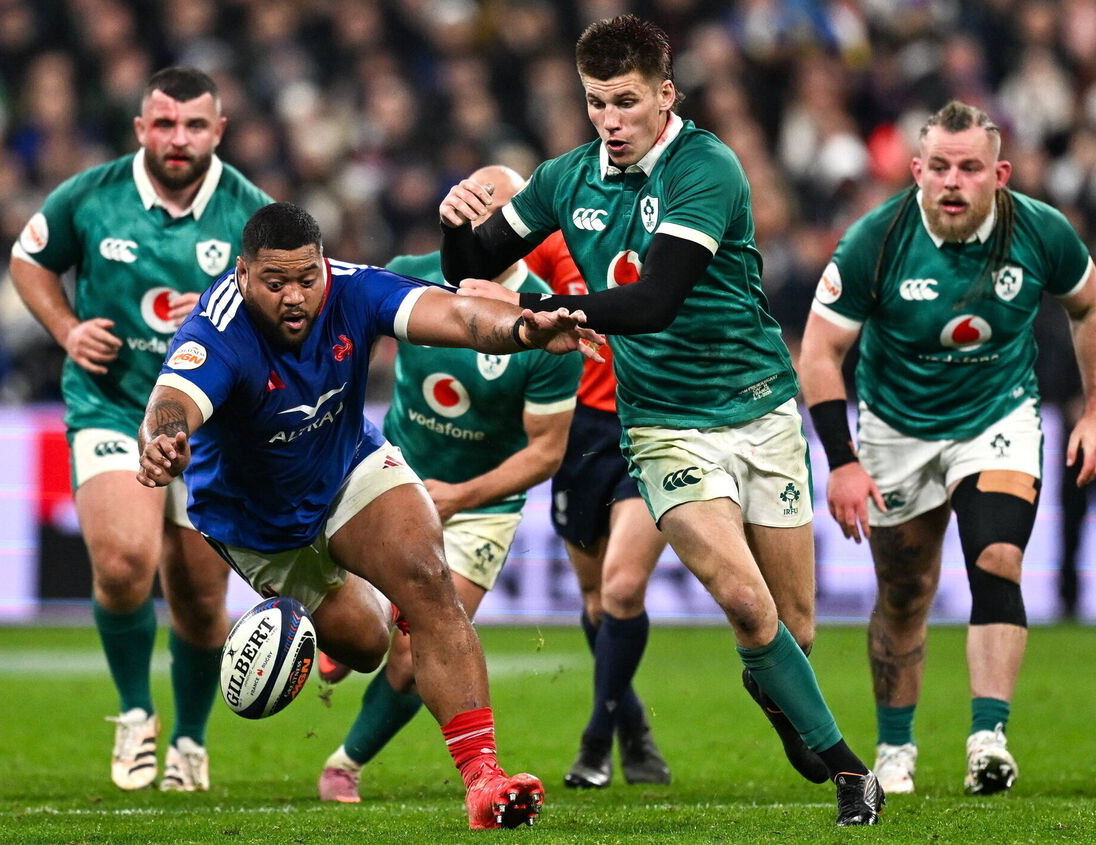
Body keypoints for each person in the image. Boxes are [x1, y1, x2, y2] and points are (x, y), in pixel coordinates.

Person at [437, 14, 883, 825]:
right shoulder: (565, 178)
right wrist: (453, 219)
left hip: (758, 409)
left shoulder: (706, 167)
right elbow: (466, 267)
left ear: (665, 95)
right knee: (746, 604)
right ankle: (854, 772)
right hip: (663, 425)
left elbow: (655, 299)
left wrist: (543, 308)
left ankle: (780, 690)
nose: (609, 120)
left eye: (626, 102)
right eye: (596, 102)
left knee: (796, 627)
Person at [136, 201, 602, 828]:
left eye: (307, 278)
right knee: (364, 645)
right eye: (276, 284)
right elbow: (172, 400)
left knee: (430, 578)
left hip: (347, 467)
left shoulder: (351, 289)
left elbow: (457, 313)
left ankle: (483, 780)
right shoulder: (218, 331)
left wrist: (524, 329)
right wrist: (165, 438)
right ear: (243, 276)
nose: (295, 297)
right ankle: (338, 617)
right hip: (257, 522)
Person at [798, 100, 1096, 796]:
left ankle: (987, 739)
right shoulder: (874, 240)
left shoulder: (1040, 231)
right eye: (938, 166)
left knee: (997, 559)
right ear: (916, 170)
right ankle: (896, 747)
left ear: (998, 174)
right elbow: (820, 352)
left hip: (997, 417)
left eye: (969, 167)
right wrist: (842, 459)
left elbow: (1092, 306)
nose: (952, 180)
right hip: (895, 427)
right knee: (905, 591)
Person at [9, 66, 272, 792]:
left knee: (197, 595)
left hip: (206, 425)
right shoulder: (91, 196)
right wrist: (65, 327)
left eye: (194, 125)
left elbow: (297, 314)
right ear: (140, 129)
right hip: (112, 405)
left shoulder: (253, 214)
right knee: (124, 563)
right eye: (164, 124)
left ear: (219, 130)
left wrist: (233, 309)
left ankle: (189, 738)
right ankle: (134, 714)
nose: (178, 138)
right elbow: (28, 258)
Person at [315, 165, 582, 803]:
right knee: (369, 631)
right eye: (471, 198)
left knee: (418, 645)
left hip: (481, 505)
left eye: (494, 205)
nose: (476, 211)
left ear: (524, 227)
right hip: (390, 482)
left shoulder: (546, 317)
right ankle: (356, 634)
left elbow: (545, 454)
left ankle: (344, 763)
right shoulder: (412, 268)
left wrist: (460, 496)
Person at [485, 228, 673, 788]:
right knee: (595, 600)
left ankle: (595, 743)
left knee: (621, 588)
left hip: (655, 422)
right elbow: (511, 281)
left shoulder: (676, 224)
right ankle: (632, 726)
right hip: (579, 431)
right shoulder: (562, 230)